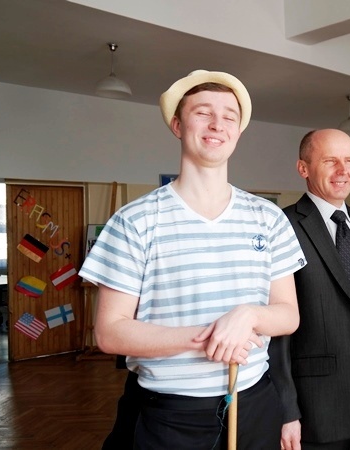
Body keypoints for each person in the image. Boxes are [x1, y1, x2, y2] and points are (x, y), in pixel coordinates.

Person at [79, 70, 306, 449]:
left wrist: (248, 315)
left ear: (238, 131)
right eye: (203, 113)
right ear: (177, 125)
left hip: (254, 403)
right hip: (168, 415)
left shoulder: (268, 217)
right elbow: (110, 332)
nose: (218, 124)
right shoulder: (134, 221)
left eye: (229, 116)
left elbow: (288, 315)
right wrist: (209, 338)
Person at [269, 129, 350, 450]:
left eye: (349, 160)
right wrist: (287, 410)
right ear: (303, 168)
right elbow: (275, 333)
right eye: (330, 161)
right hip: (312, 405)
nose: (343, 170)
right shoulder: (284, 225)